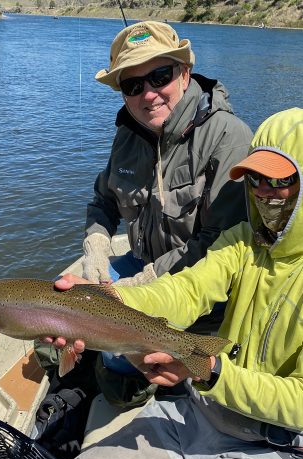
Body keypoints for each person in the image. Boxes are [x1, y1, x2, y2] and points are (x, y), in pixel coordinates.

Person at [51, 108, 303, 459]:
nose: (263, 191)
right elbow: (185, 290)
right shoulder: (241, 239)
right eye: (254, 178)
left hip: (280, 451)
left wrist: (214, 373)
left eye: (280, 180)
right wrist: (106, 303)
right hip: (202, 414)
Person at [34, 20, 252, 399]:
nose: (148, 94)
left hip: (200, 293)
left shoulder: (228, 137)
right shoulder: (128, 136)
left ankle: (136, 385)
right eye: (133, 86)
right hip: (138, 265)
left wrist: (137, 287)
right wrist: (96, 254)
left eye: (159, 76)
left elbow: (221, 245)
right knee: (60, 299)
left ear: (184, 74)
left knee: (118, 361)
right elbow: (103, 202)